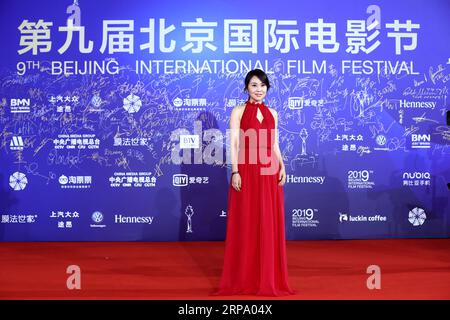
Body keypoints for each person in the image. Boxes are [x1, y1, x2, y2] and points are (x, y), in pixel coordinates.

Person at [214, 69, 295, 296]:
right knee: (247, 221)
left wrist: (283, 165)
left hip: (269, 171)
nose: (259, 90)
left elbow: (275, 144)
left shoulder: (273, 113)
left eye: (262, 85)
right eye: (254, 85)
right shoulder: (238, 112)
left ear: (267, 88)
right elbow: (234, 145)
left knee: (268, 222)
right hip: (247, 169)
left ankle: (268, 277)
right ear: (246, 88)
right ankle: (245, 276)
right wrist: (235, 172)